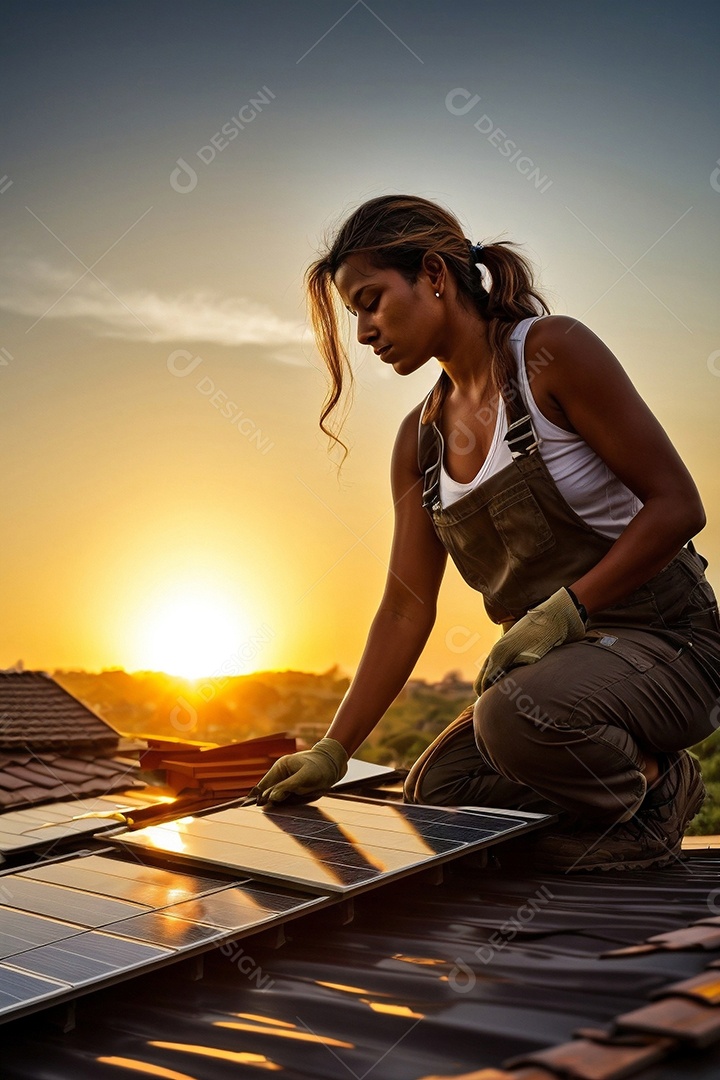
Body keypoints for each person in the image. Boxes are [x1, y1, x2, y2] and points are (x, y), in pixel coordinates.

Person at [256, 194, 720, 872]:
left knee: (512, 719)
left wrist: (568, 610)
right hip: (561, 677)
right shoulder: (419, 444)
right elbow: (405, 607)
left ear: (436, 277)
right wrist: (336, 748)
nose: (362, 332)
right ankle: (605, 803)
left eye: (372, 300)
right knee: (438, 790)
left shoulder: (551, 355)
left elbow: (678, 506)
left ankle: (653, 786)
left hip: (673, 646)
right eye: (354, 312)